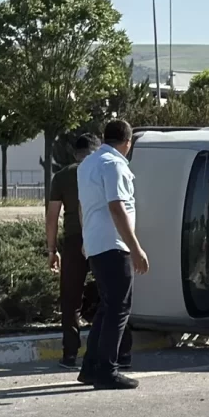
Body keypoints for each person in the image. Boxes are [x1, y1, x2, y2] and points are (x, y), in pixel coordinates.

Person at [76, 119, 148, 390]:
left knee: (107, 307)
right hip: (114, 244)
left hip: (96, 243)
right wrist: (136, 248)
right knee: (119, 308)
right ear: (128, 143)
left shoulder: (88, 164)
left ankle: (91, 367)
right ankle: (107, 370)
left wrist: (86, 238)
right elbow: (117, 208)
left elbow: (83, 206)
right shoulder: (114, 164)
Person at [46, 133, 100, 369]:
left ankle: (70, 354)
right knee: (110, 295)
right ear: (96, 151)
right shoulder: (103, 170)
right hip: (101, 238)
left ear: (75, 153)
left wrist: (52, 249)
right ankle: (116, 352)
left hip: (73, 241)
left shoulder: (62, 176)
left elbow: (52, 216)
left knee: (70, 300)